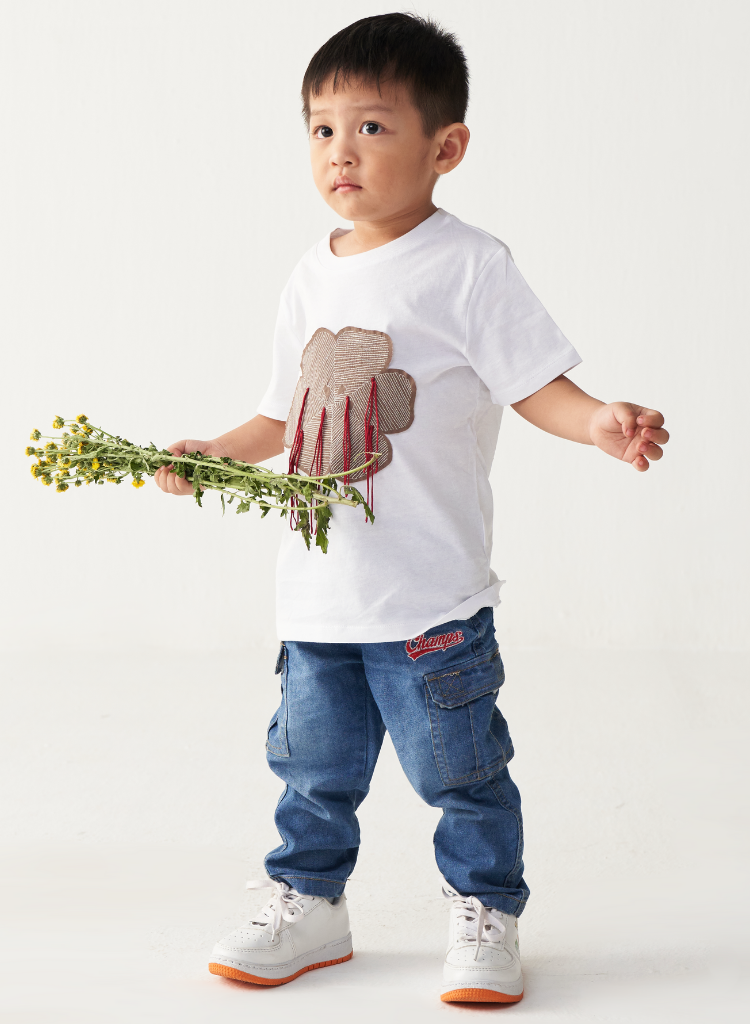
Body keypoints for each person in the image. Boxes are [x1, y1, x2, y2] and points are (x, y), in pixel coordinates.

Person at [154, 13, 669, 1004]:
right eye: (320, 128)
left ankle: (487, 909)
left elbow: (534, 383)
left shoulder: (470, 264)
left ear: (447, 148)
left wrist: (599, 417)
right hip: (317, 595)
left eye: (372, 127)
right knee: (310, 768)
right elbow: (281, 412)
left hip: (429, 597)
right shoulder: (311, 273)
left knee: (462, 771)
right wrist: (219, 454)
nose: (340, 150)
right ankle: (310, 902)